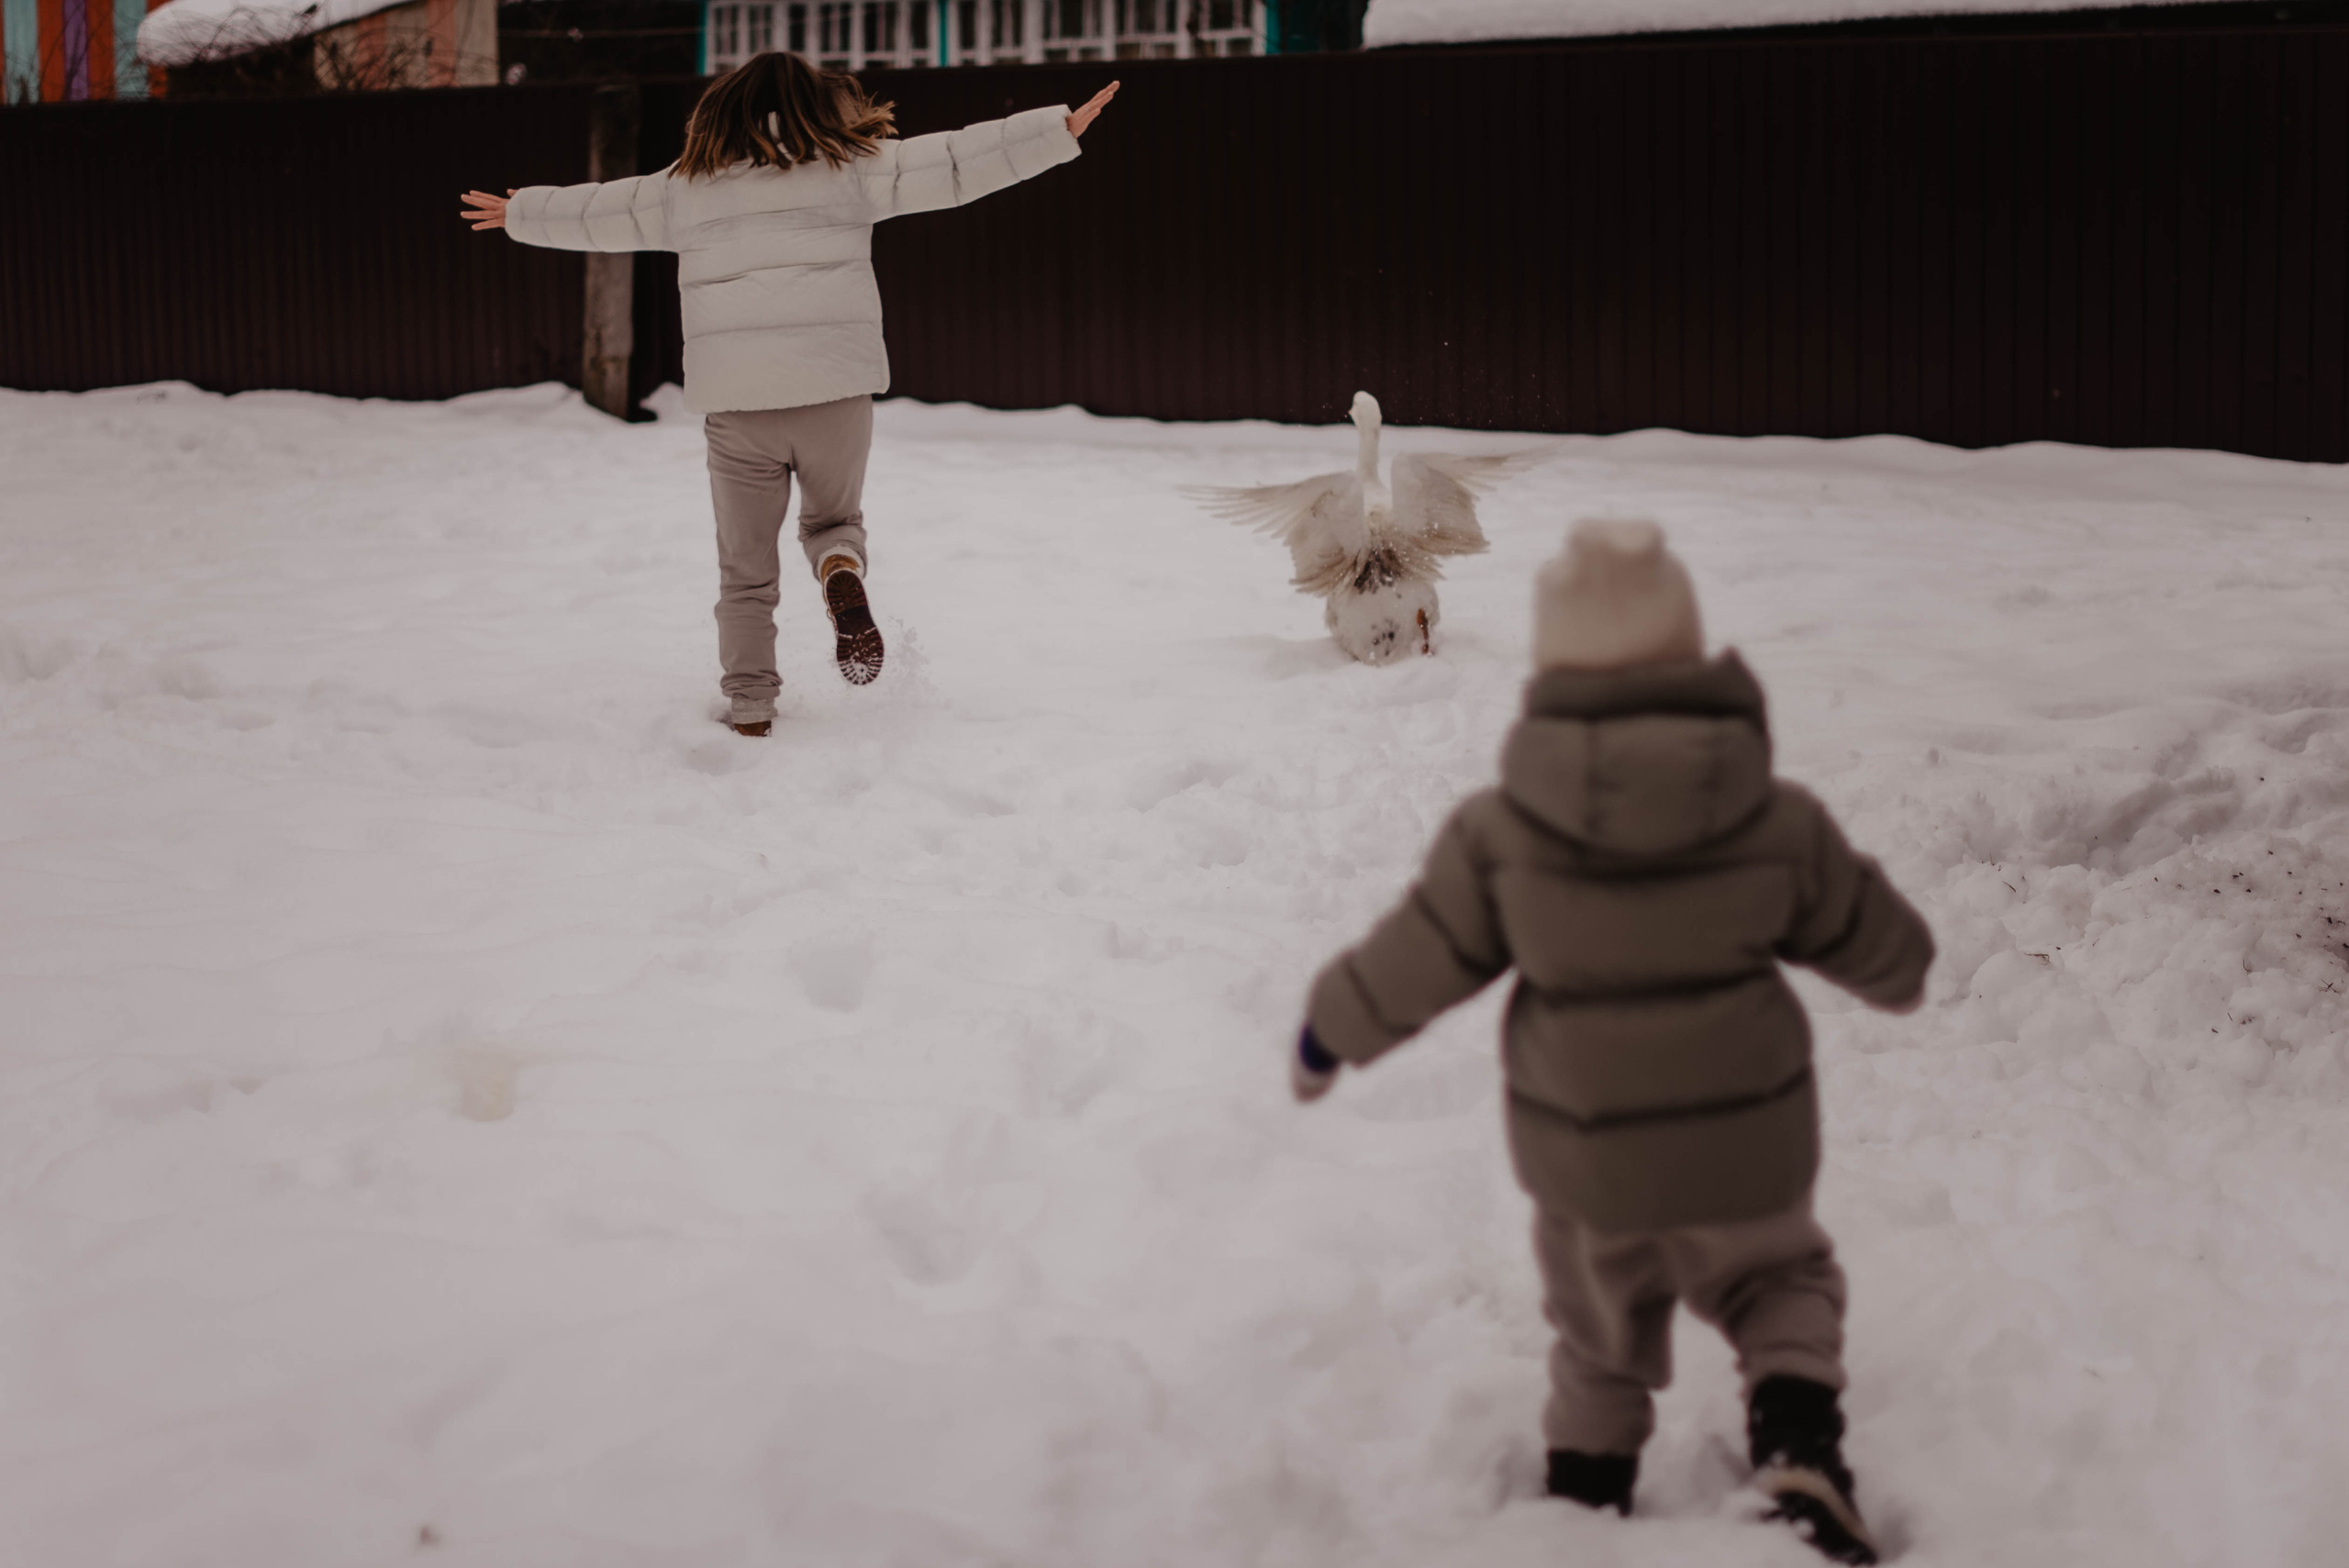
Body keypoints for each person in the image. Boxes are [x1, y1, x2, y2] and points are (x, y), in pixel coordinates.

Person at [1290, 519, 1933, 1566]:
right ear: (1686, 657)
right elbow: (1888, 952)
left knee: (1598, 1329)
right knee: (1780, 1281)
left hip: (1591, 1160)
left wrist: (1331, 1028)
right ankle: (1799, 1442)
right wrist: (1889, 956)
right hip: (1746, 1150)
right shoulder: (1773, 818)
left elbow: (1419, 955)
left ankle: (1583, 1501)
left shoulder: (1503, 831)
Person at [462, 56, 1118, 735]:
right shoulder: (852, 166)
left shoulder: (685, 188)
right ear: (814, 103)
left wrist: (521, 211)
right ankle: (838, 566)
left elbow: (602, 210)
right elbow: (954, 162)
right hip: (834, 393)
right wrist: (1056, 130)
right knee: (834, 521)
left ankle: (750, 708)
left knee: (745, 572)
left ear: (721, 110)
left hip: (739, 409)